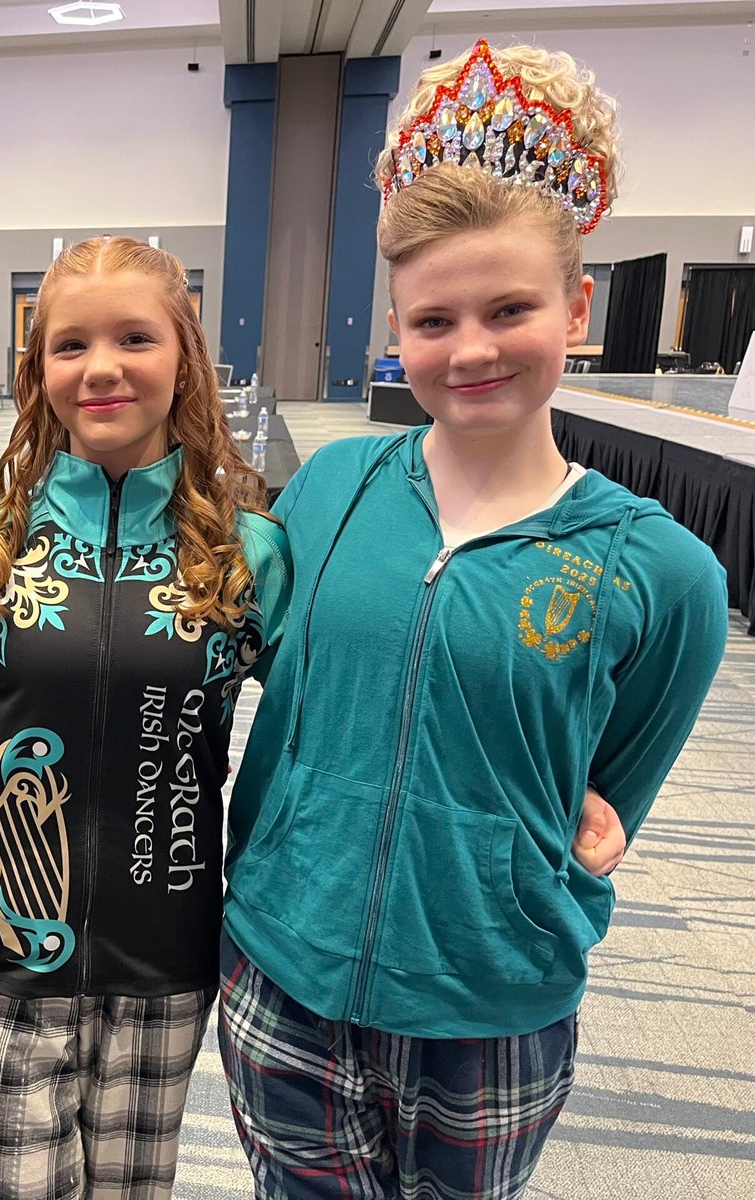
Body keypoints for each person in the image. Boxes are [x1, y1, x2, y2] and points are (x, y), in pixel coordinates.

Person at [217, 41, 727, 1200]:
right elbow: (244, 666)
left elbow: (603, 806)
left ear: (576, 307)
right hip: (284, 968)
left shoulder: (662, 572)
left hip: (492, 1006)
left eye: (509, 309)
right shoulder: (329, 488)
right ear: (396, 324)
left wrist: (536, 875)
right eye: (434, 319)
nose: (472, 350)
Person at [0, 235, 281, 1198]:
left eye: (135, 338)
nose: (103, 367)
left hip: (163, 959)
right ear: (38, 370)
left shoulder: (247, 552)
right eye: (71, 344)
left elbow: (317, 730)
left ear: (184, 358)